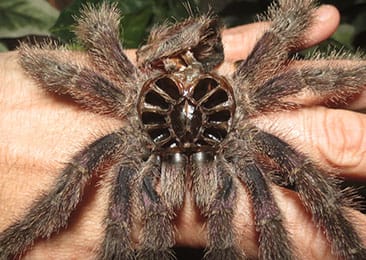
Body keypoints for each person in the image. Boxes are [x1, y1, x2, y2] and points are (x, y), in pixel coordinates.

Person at [0, 4, 365, 259]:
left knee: (281, 201)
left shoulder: (246, 101)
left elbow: (95, 28)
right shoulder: (131, 103)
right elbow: (89, 33)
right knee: (110, 208)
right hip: (161, 87)